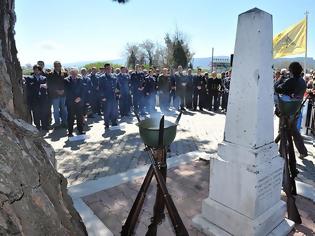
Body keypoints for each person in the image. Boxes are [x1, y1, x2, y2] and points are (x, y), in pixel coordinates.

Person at [274, 62, 308, 158]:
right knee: (293, 130)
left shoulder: (292, 81)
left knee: (283, 130)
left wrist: (280, 79)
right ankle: (303, 151)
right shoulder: (302, 81)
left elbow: (277, 89)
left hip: (287, 110)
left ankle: (282, 153)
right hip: (296, 110)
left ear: (292, 70)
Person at [25, 65, 50, 131]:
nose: (36, 71)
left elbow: (47, 86)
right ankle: (38, 126)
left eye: (38, 70)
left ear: (40, 70)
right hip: (34, 99)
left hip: (43, 98)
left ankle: (44, 126)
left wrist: (46, 86)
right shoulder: (29, 78)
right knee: (36, 113)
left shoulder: (44, 78)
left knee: (44, 112)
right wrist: (40, 85)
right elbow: (30, 87)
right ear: (33, 70)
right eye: (35, 69)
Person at [64, 68, 85, 137]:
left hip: (79, 102)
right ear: (70, 73)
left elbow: (83, 90)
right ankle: (70, 132)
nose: (74, 75)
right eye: (73, 73)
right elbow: (67, 91)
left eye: (75, 73)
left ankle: (80, 130)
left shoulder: (80, 80)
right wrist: (74, 99)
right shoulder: (66, 80)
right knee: (70, 118)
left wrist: (80, 98)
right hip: (70, 102)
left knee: (80, 117)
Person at [47, 61, 68, 128]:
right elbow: (50, 85)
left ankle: (64, 122)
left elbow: (67, 83)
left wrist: (64, 90)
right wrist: (57, 91)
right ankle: (57, 123)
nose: (58, 67)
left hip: (63, 94)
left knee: (64, 109)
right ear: (54, 66)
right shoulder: (50, 74)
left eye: (59, 66)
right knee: (56, 110)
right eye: (56, 66)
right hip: (55, 95)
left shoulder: (64, 74)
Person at [99, 63, 119, 129]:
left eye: (110, 68)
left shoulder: (114, 76)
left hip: (114, 96)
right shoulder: (102, 77)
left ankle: (114, 122)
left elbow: (117, 85)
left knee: (114, 110)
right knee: (107, 111)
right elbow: (100, 88)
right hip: (106, 97)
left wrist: (118, 92)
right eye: (107, 68)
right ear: (105, 69)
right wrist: (102, 97)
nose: (109, 70)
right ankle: (106, 123)